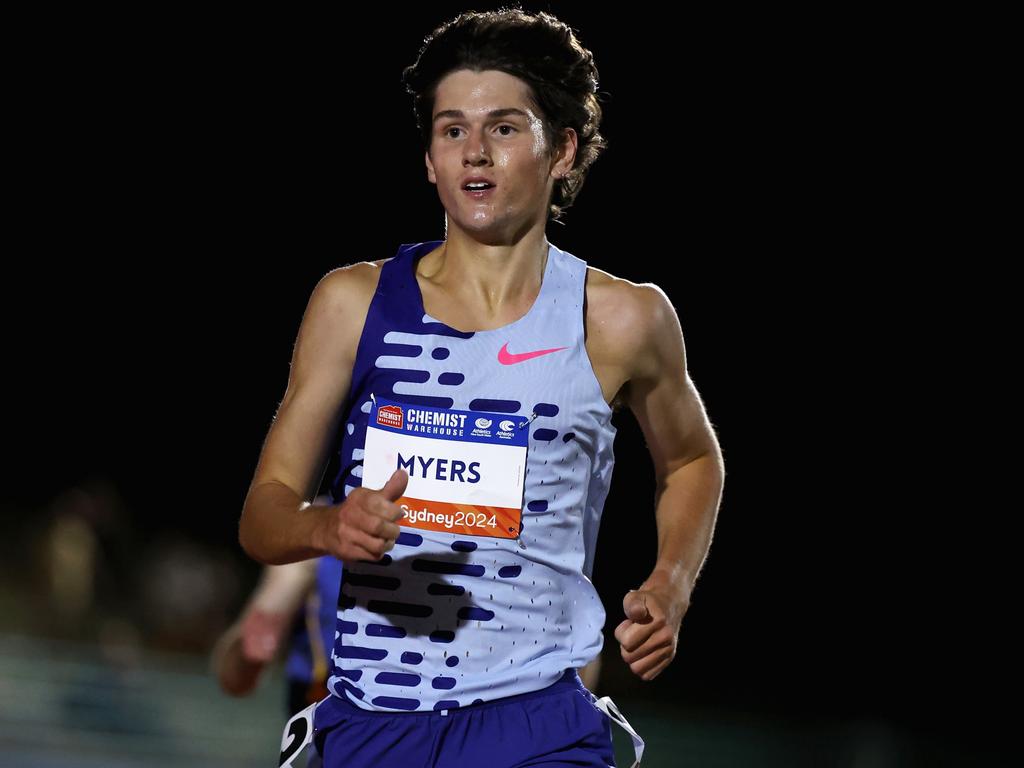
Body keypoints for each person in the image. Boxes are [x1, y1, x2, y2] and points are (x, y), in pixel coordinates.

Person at [239, 9, 724, 768]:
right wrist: (329, 530)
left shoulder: (623, 319)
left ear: (561, 148)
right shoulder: (353, 303)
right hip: (375, 721)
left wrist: (670, 583)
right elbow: (264, 515)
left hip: (536, 723)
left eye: (503, 128)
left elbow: (693, 460)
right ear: (429, 158)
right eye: (451, 129)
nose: (474, 151)